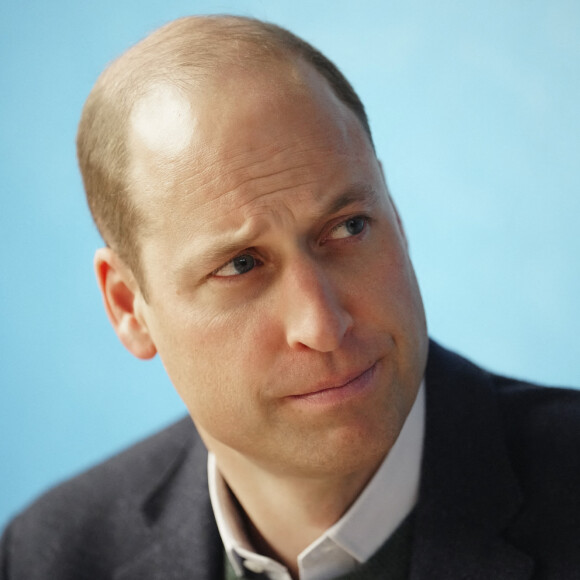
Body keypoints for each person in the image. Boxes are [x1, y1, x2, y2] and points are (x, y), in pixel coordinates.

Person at [1, 15, 579, 580]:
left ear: (395, 217)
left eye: (349, 227)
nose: (322, 324)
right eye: (241, 264)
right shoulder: (49, 556)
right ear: (129, 308)